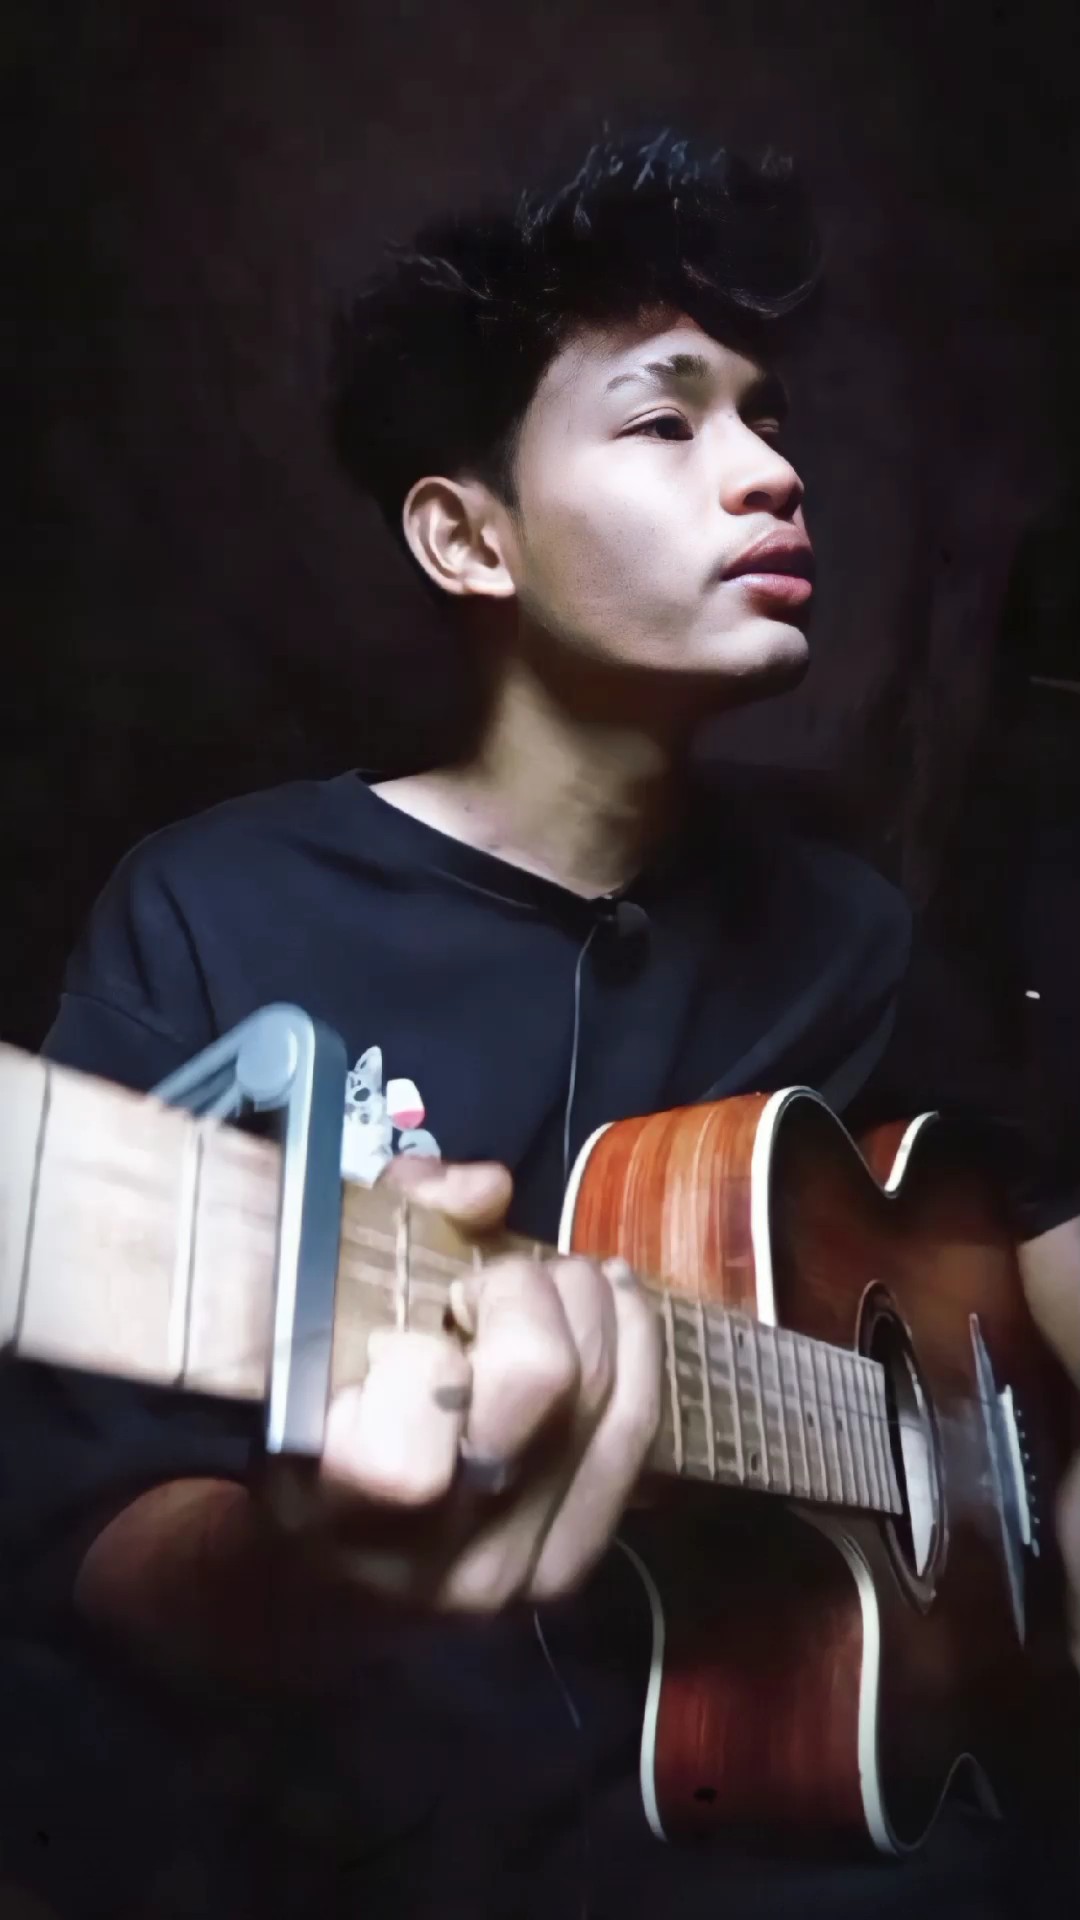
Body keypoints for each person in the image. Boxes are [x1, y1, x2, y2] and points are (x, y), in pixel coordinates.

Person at [5, 129, 1079, 1919]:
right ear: (468, 536)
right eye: (668, 422)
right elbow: (89, 1538)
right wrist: (318, 1572)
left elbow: (1030, 1248)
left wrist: (1038, 1495)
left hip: (853, 1830)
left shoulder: (857, 931)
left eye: (770, 417)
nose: (772, 471)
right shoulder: (213, 907)